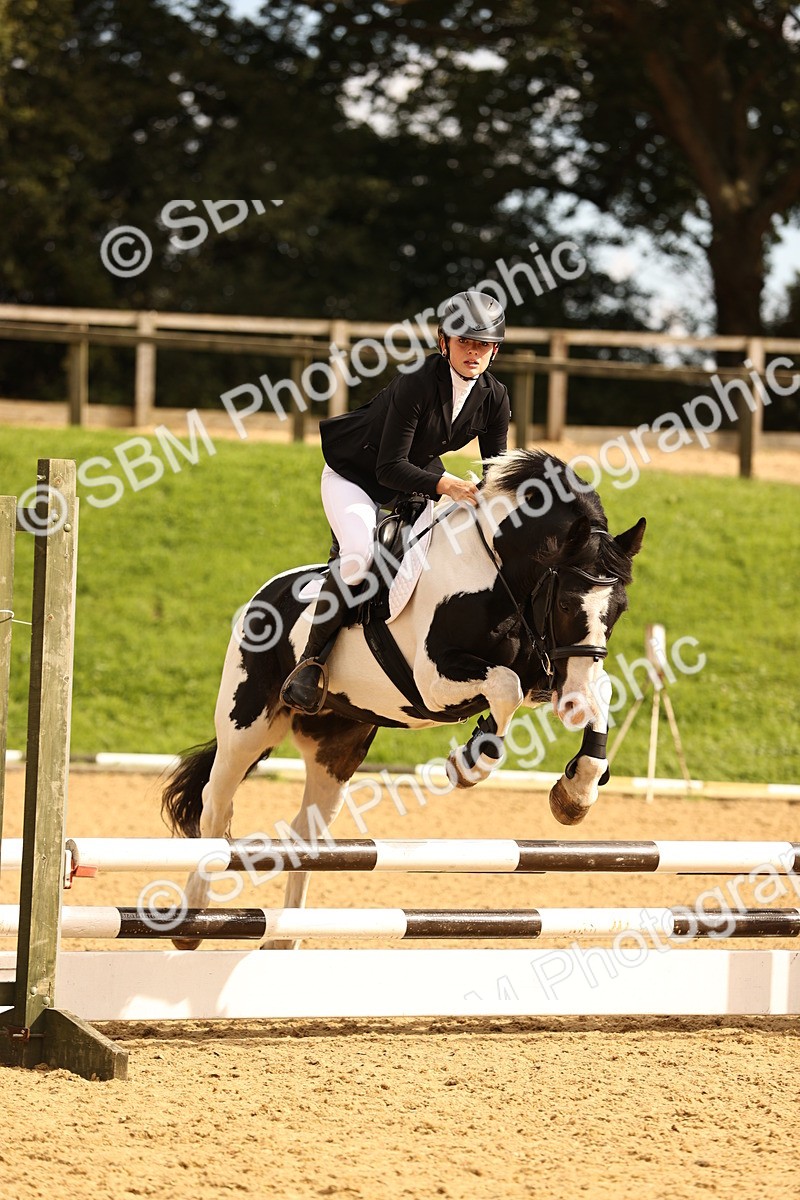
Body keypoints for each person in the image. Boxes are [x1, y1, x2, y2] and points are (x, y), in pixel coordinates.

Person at [280, 289, 511, 715]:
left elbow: (494, 470)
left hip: (415, 480)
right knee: (358, 556)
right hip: (357, 475)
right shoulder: (416, 384)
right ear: (444, 342)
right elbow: (388, 468)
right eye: (465, 341)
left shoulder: (495, 397)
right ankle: (309, 665)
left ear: (494, 350)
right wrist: (448, 487)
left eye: (483, 345)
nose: (473, 352)